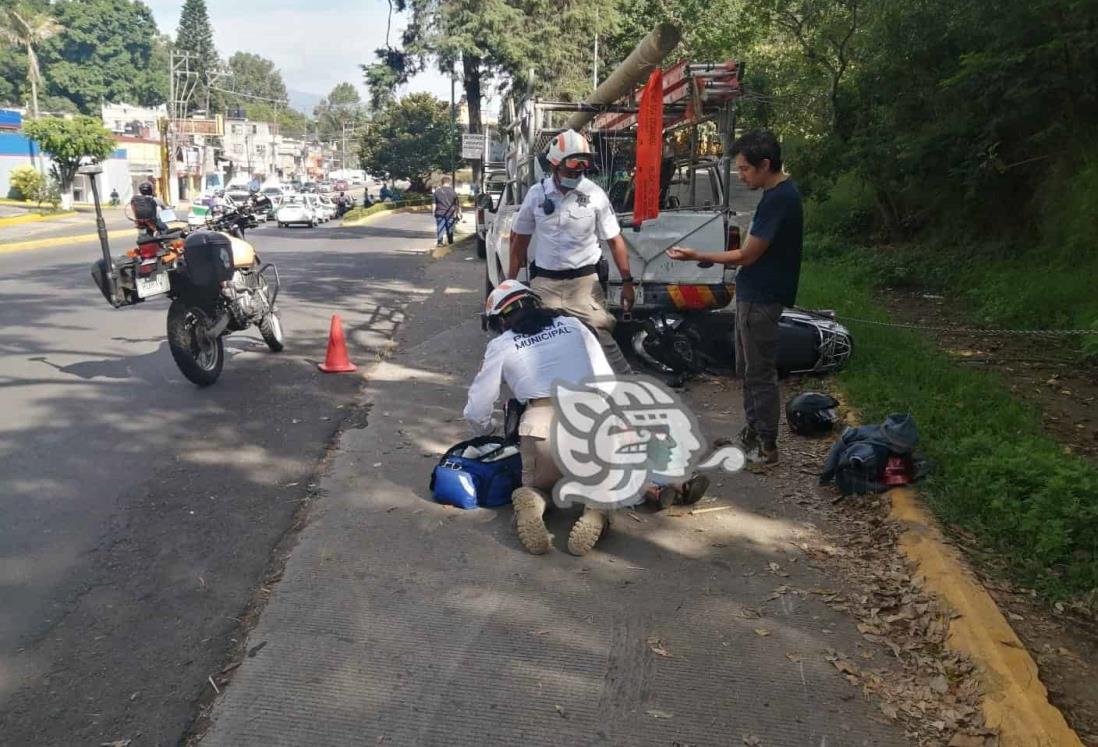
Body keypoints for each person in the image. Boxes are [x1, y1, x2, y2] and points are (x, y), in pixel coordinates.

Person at [666, 130, 803, 465]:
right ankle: (753, 431)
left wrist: (699, 254)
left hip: (762, 297)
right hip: (752, 293)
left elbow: (747, 255)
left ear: (766, 165)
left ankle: (766, 445)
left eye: (745, 170)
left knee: (759, 371)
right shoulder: (775, 194)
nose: (741, 176)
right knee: (747, 367)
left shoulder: (779, 199)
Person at [464, 280, 615, 556]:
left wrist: (489, 431)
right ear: (536, 304)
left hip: (540, 426)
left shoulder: (501, 345)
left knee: (538, 486)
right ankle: (596, 508)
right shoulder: (574, 326)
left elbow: (477, 408)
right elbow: (607, 382)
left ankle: (533, 500)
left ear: (500, 319)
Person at [507, 129, 634, 375]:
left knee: (602, 341)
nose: (575, 176)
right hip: (544, 285)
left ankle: (627, 392)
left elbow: (615, 240)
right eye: (570, 171)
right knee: (538, 347)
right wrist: (509, 285)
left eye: (580, 172)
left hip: (585, 285)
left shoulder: (595, 195)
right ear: (554, 165)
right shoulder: (536, 195)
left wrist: (628, 281)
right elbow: (519, 242)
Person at [432, 176, 461, 246]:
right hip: (450, 213)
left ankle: (440, 242)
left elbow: (434, 204)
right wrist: (459, 213)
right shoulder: (453, 192)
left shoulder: (437, 191)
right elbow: (457, 204)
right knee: (450, 227)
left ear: (442, 182)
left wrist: (433, 212)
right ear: (449, 182)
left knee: (440, 226)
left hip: (439, 212)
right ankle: (450, 241)